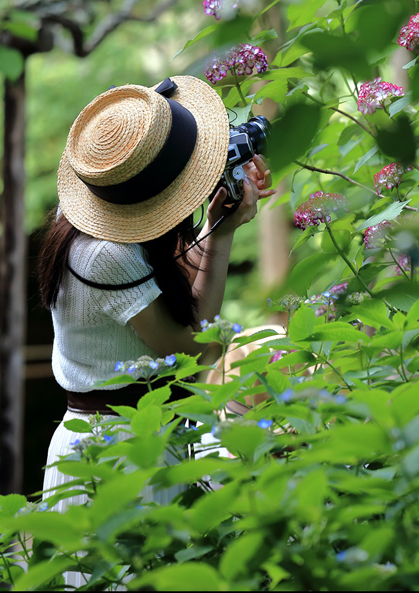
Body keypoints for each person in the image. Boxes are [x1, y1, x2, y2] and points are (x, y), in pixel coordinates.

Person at [35, 76, 275, 586]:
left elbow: (177, 292)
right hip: (118, 455)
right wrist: (223, 237)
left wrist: (214, 217)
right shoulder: (104, 254)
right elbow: (192, 350)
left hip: (140, 438)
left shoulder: (106, 219)